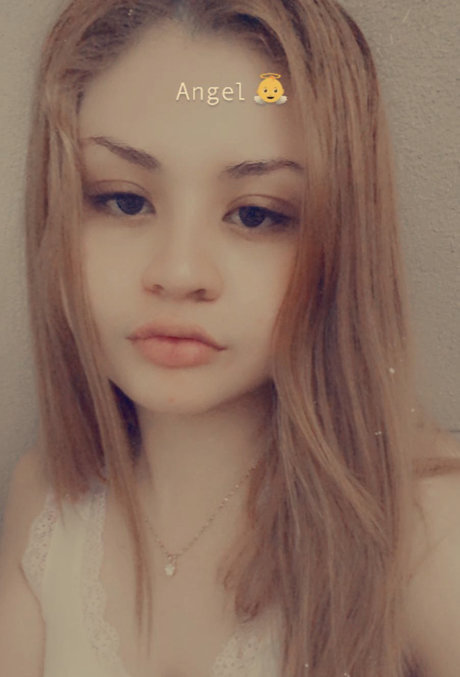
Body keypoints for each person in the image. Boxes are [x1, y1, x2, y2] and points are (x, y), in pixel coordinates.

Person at [0, 1, 456, 676]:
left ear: (341, 240)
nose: (180, 272)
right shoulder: (46, 500)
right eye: (124, 200)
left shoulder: (431, 529)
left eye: (255, 214)